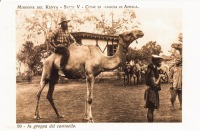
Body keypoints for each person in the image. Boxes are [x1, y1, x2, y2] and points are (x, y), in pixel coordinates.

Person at [144, 55, 164, 122]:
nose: (160, 62)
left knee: (151, 110)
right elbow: (154, 84)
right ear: (154, 61)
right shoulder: (151, 70)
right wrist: (160, 77)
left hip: (152, 91)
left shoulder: (153, 69)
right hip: (152, 91)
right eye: (158, 61)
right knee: (150, 109)